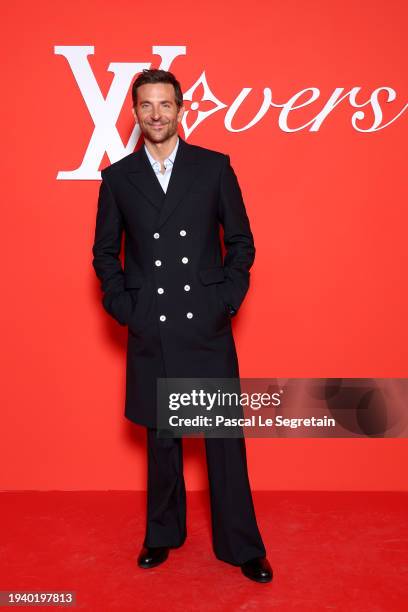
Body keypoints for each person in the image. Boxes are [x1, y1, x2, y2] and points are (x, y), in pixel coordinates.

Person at [92, 68, 272, 583]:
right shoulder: (118, 178)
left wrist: (227, 300)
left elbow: (241, 243)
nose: (155, 115)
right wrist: (127, 307)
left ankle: (242, 545)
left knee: (222, 442)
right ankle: (162, 534)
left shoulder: (214, 168)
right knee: (162, 441)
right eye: (146, 106)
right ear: (135, 112)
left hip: (205, 326)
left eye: (164, 105)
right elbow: (105, 254)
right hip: (154, 326)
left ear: (181, 108)